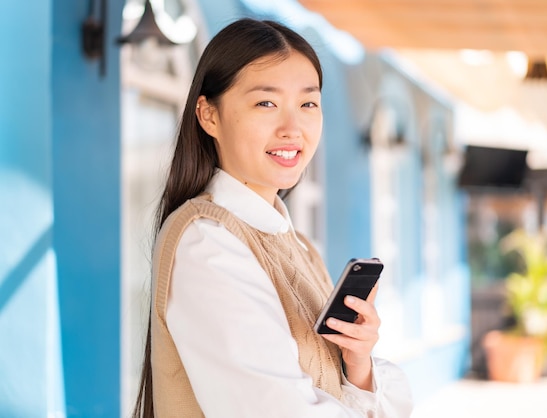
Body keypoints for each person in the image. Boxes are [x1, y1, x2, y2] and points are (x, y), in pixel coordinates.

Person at [133, 17, 413, 418]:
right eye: (266, 103)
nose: (292, 127)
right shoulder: (206, 243)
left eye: (308, 104)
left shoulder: (297, 246)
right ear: (208, 115)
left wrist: (358, 364)